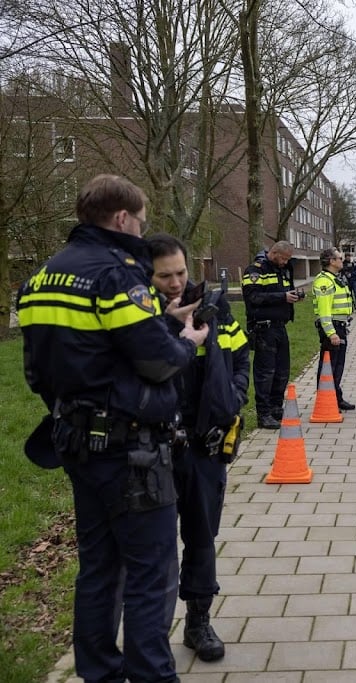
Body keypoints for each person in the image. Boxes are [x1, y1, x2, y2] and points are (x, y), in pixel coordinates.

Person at [16, 174, 209, 683]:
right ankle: (152, 675)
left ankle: (99, 672)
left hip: (76, 443)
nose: (141, 232)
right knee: (150, 572)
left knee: (99, 567)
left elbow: (36, 370)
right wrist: (186, 338)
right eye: (140, 222)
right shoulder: (116, 274)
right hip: (132, 454)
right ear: (123, 218)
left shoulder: (42, 277)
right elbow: (158, 362)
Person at [147, 233, 249, 663]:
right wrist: (170, 325)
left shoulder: (214, 306)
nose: (175, 282)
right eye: (164, 275)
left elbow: (241, 356)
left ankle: (198, 622)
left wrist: (235, 394)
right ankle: (150, 634)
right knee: (155, 545)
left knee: (202, 537)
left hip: (206, 446)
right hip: (155, 448)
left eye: (181, 272)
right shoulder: (138, 312)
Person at [242, 241, 299, 429]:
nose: (285, 262)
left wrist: (293, 296)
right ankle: (263, 414)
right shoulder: (255, 271)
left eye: (287, 259)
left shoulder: (281, 270)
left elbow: (281, 291)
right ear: (273, 252)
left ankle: (276, 408)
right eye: (283, 258)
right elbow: (253, 298)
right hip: (263, 328)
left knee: (282, 371)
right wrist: (282, 297)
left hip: (280, 326)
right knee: (266, 373)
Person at [312, 248, 356, 410]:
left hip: (340, 326)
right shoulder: (324, 281)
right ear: (331, 261)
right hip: (333, 328)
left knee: (337, 366)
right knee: (329, 367)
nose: (342, 260)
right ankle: (326, 402)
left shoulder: (334, 278)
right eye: (339, 258)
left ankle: (336, 397)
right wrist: (331, 333)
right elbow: (324, 312)